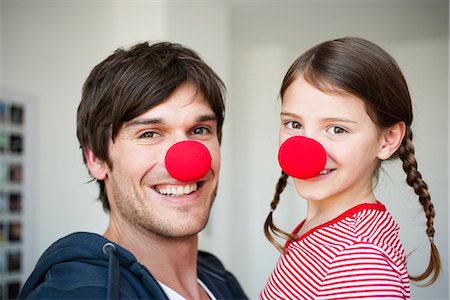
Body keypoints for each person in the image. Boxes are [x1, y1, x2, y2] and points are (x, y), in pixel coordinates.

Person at [18, 42, 247, 299]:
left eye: (200, 130)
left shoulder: (221, 281)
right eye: (149, 134)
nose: (186, 162)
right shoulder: (79, 294)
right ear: (96, 159)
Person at [261, 37, 441, 299]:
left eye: (337, 129)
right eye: (294, 124)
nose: (306, 150)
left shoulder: (360, 257)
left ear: (388, 139)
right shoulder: (325, 229)